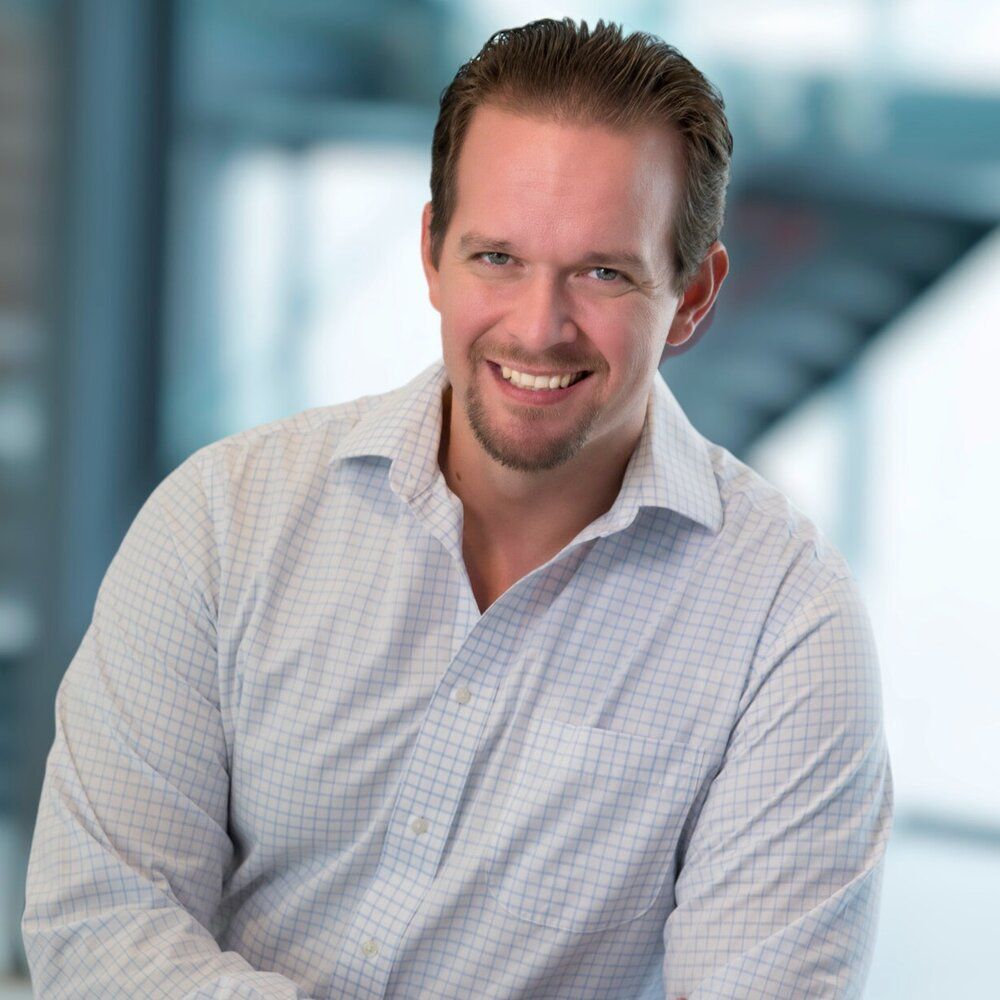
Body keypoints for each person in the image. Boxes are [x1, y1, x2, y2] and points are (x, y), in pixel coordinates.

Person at [23, 17, 893, 999]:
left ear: (693, 294)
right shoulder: (222, 520)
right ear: (432, 251)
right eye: (497, 258)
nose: (538, 325)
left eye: (603, 272)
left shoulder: (785, 625)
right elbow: (95, 922)